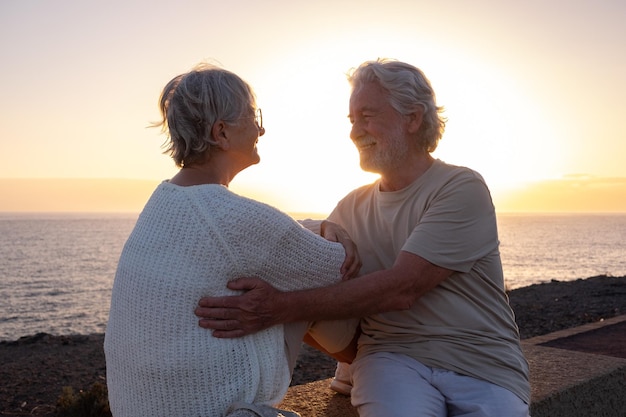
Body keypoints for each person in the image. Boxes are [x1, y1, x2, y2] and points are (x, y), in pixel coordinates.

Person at [195, 58, 531, 417]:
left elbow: (403, 287)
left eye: (367, 117)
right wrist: (320, 226)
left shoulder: (460, 187)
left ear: (413, 118)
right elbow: (290, 250)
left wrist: (277, 308)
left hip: (481, 363)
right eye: (352, 120)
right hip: (392, 360)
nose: (355, 132)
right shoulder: (351, 207)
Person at [104, 63, 361, 417]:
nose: (262, 128)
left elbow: (272, 239)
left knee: (278, 280)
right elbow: (340, 268)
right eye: (253, 117)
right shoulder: (230, 214)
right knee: (320, 288)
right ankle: (366, 369)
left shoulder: (165, 199)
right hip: (215, 411)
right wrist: (339, 230)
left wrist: (317, 226)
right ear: (221, 132)